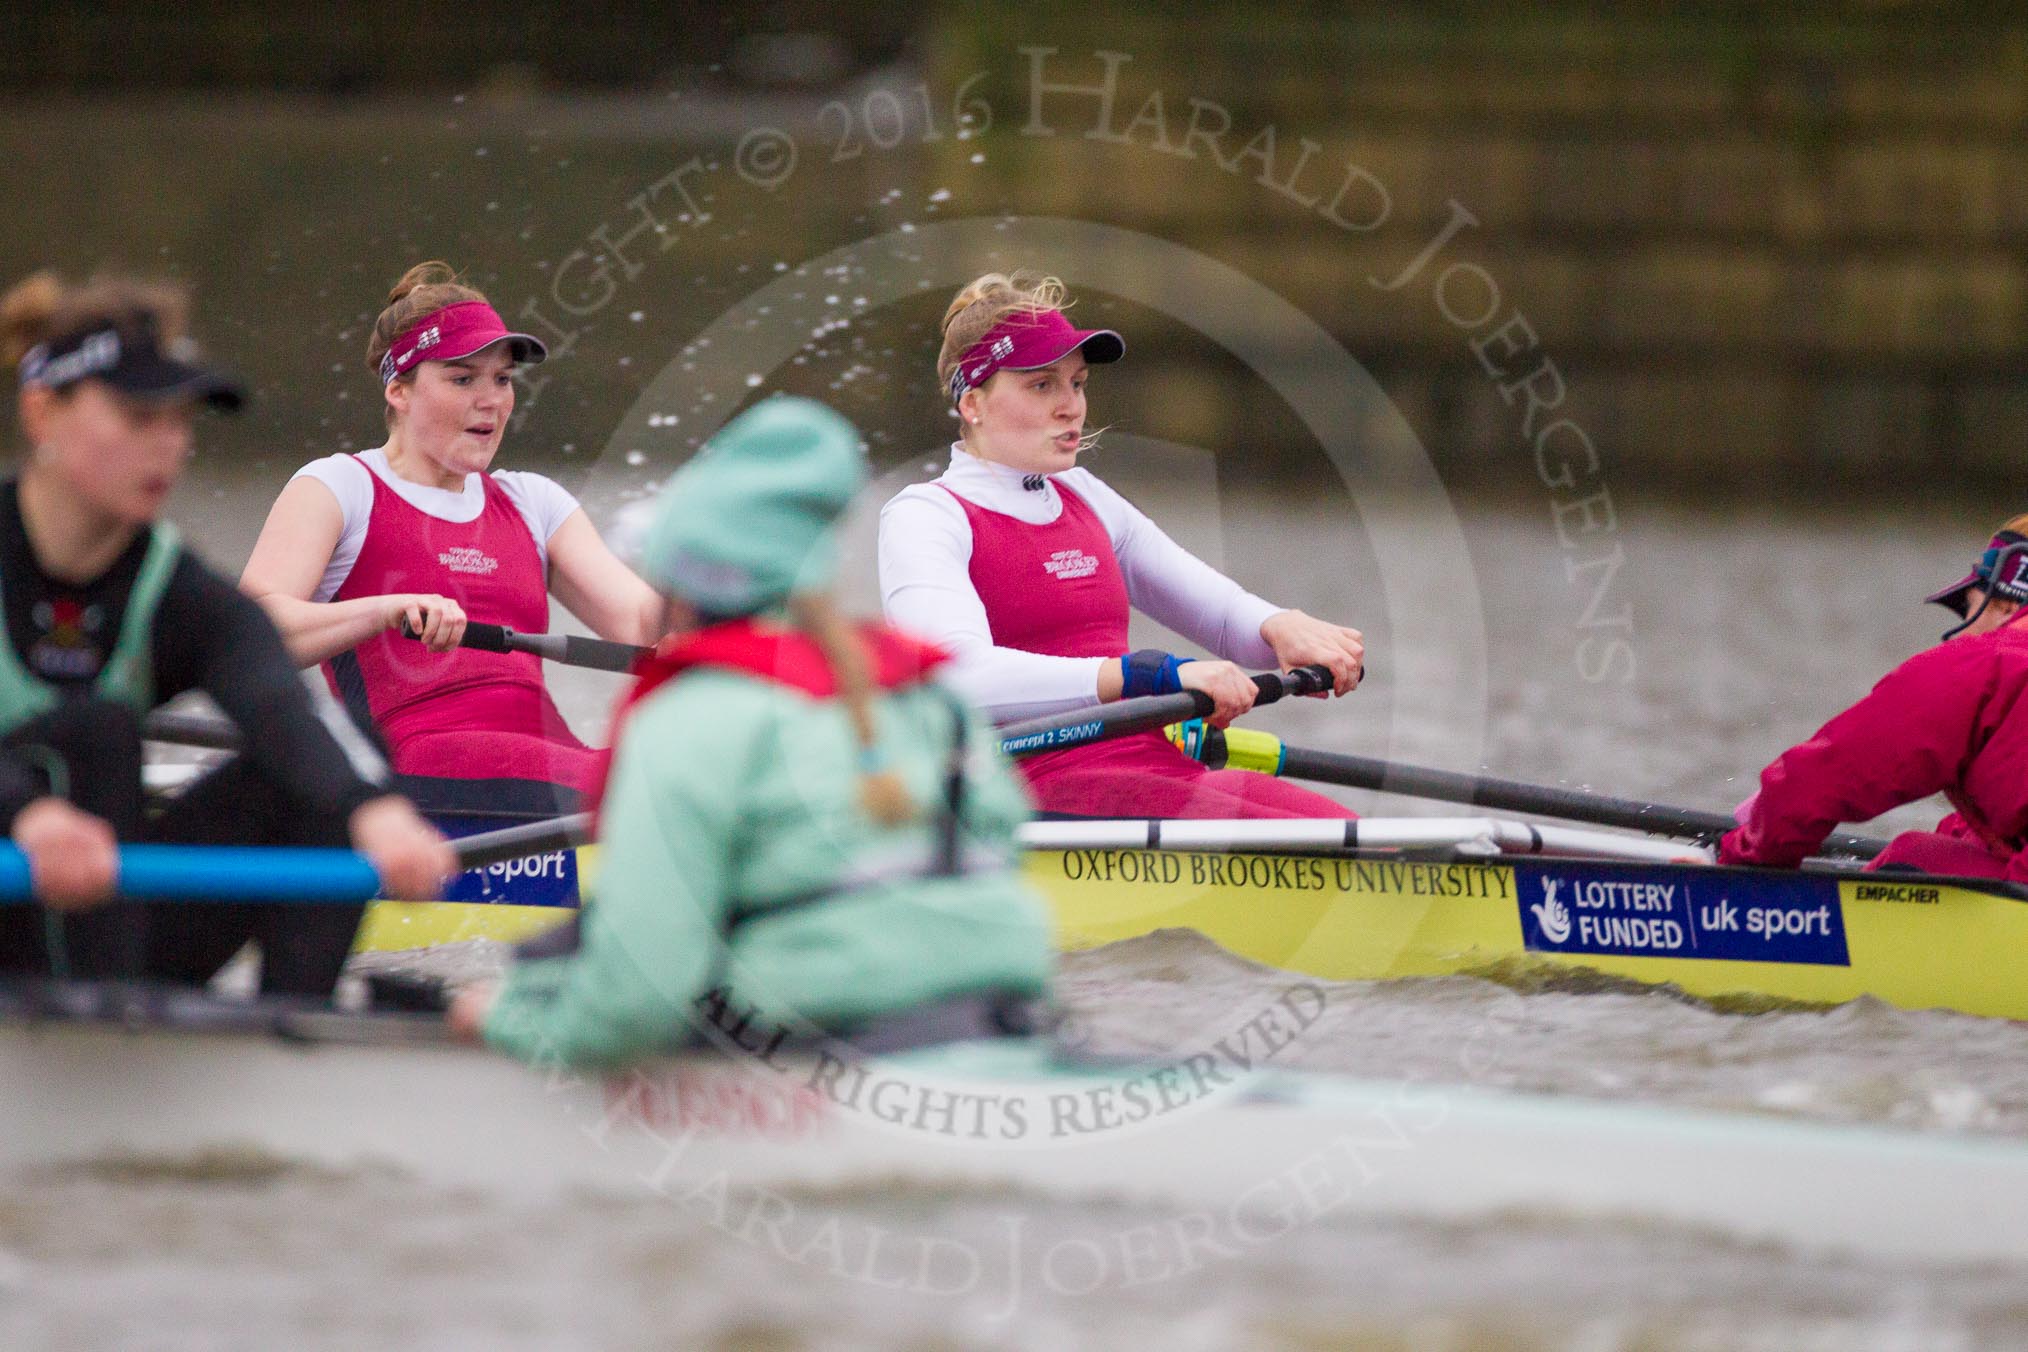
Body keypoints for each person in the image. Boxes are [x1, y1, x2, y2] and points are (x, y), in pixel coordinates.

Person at [449, 397, 1053, 1066]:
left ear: (677, 581)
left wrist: (510, 1022)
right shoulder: (931, 697)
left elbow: (633, 1006)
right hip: (1011, 1026)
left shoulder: (686, 722)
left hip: (836, 1055)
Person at [0, 270, 453, 997]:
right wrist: (28, 813)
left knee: (345, 762)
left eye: (180, 421)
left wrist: (378, 809)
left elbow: (283, 704)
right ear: (43, 414)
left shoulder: (173, 589)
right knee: (92, 736)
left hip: (98, 919)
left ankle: (294, 1045)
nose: (170, 447)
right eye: (137, 416)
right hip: (23, 894)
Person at [878, 271, 1366, 819]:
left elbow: (1220, 613)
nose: (1072, 407)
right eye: (1043, 385)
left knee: (1345, 827)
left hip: (1149, 765)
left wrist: (1281, 627)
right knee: (1339, 852)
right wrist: (1145, 676)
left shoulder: (1084, 495)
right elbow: (954, 677)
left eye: (1078, 383)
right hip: (1023, 788)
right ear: (973, 404)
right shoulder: (926, 516)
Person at [240, 262, 661, 805]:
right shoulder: (340, 487)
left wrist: (727, 635)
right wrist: (386, 610)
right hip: (414, 765)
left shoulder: (534, 502)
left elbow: (645, 622)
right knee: (638, 794)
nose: (491, 400)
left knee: (682, 778)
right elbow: (253, 632)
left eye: (503, 379)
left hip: (544, 765)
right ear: (399, 389)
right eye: (463, 379)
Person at [1721, 516, 2028, 880]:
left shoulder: (1989, 664)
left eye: (1967, 606)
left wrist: (1744, 855)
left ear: (2007, 606)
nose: (1966, 627)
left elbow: (1827, 775)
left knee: (1915, 856)